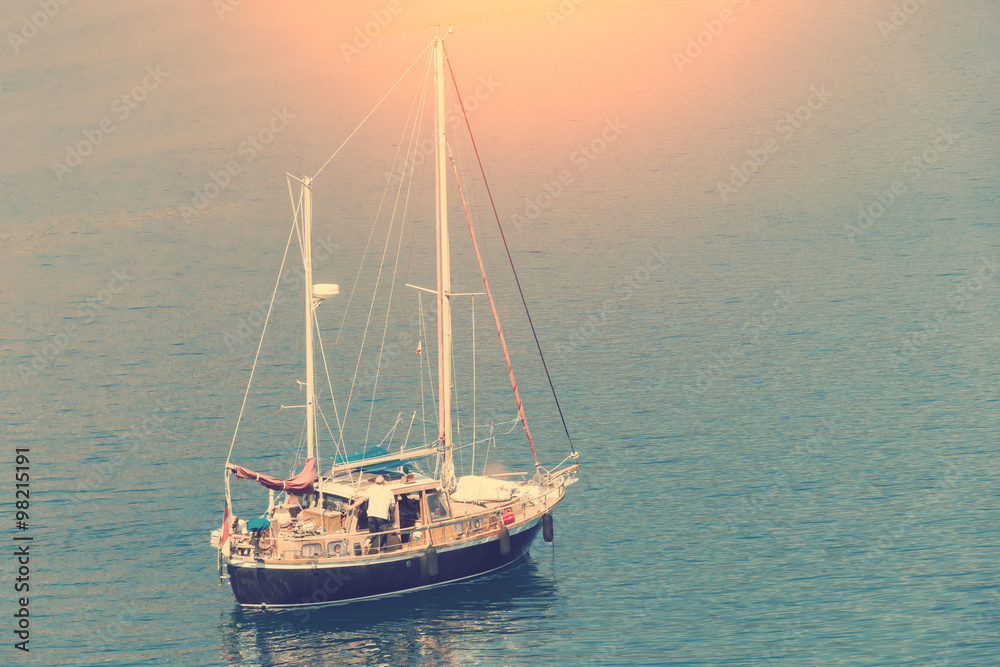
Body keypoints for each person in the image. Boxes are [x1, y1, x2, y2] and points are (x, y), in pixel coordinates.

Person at [346, 476, 395, 553]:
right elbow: (392, 505)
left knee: (372, 532)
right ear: (384, 483)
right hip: (382, 516)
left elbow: (362, 499)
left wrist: (352, 506)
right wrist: (392, 514)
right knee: (383, 533)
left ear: (375, 482)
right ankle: (382, 551)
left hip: (371, 515)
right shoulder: (389, 491)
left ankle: (366, 544)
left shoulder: (370, 490)